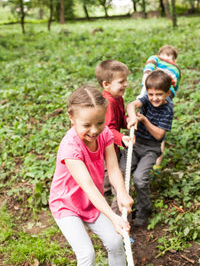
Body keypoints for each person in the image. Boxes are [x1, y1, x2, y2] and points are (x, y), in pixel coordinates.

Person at [49, 85, 133, 266]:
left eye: (100, 122)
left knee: (116, 241)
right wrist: (113, 216)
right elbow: (88, 186)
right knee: (87, 254)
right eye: (87, 125)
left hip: (91, 203)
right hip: (67, 205)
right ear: (72, 118)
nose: (94, 130)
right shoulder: (70, 148)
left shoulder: (104, 135)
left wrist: (122, 193)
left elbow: (112, 168)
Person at [122, 70, 173, 227]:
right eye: (151, 94)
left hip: (151, 148)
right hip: (136, 143)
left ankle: (144, 208)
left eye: (159, 94)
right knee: (123, 172)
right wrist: (132, 116)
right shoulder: (147, 100)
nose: (154, 98)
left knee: (139, 178)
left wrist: (143, 120)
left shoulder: (167, 109)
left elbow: (159, 135)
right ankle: (125, 210)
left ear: (167, 93)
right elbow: (131, 104)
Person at [95, 60, 132, 213]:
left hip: (112, 145)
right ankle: (115, 213)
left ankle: (105, 195)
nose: (126, 84)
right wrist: (121, 138)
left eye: (126, 81)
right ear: (106, 84)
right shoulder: (107, 103)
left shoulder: (118, 98)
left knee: (109, 177)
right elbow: (107, 128)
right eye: (121, 82)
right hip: (104, 148)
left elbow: (118, 120)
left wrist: (128, 120)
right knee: (114, 178)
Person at [137, 45, 181, 169]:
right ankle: (144, 158)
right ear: (159, 55)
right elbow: (149, 65)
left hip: (163, 99)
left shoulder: (174, 70)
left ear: (175, 60)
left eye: (170, 58)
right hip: (152, 92)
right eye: (164, 57)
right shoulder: (157, 60)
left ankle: (157, 165)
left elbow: (173, 87)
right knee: (143, 121)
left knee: (160, 135)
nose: (166, 60)